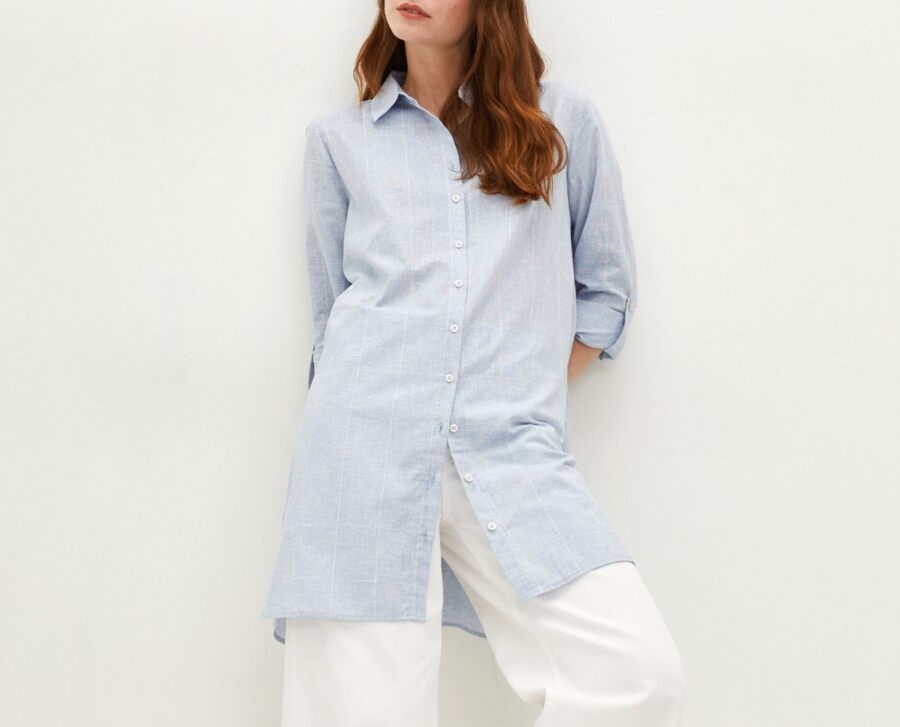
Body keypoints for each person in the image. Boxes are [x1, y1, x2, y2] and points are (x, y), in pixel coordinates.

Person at [260, 1, 687, 724]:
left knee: (635, 675)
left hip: (511, 450)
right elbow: (333, 318)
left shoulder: (562, 121)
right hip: (360, 452)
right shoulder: (338, 140)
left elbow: (606, 295)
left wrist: (511, 387)